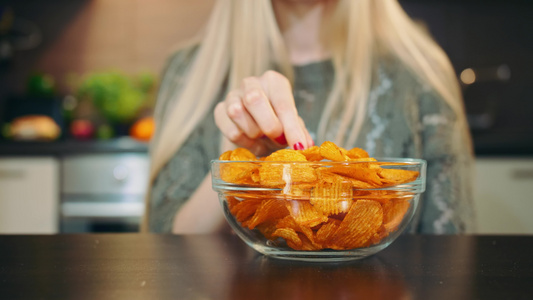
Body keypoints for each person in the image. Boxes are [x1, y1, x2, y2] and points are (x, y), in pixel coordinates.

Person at [142, 0, 476, 234]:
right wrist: (241, 162)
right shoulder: (189, 73)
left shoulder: (421, 73)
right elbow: (163, 252)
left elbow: (452, 252)